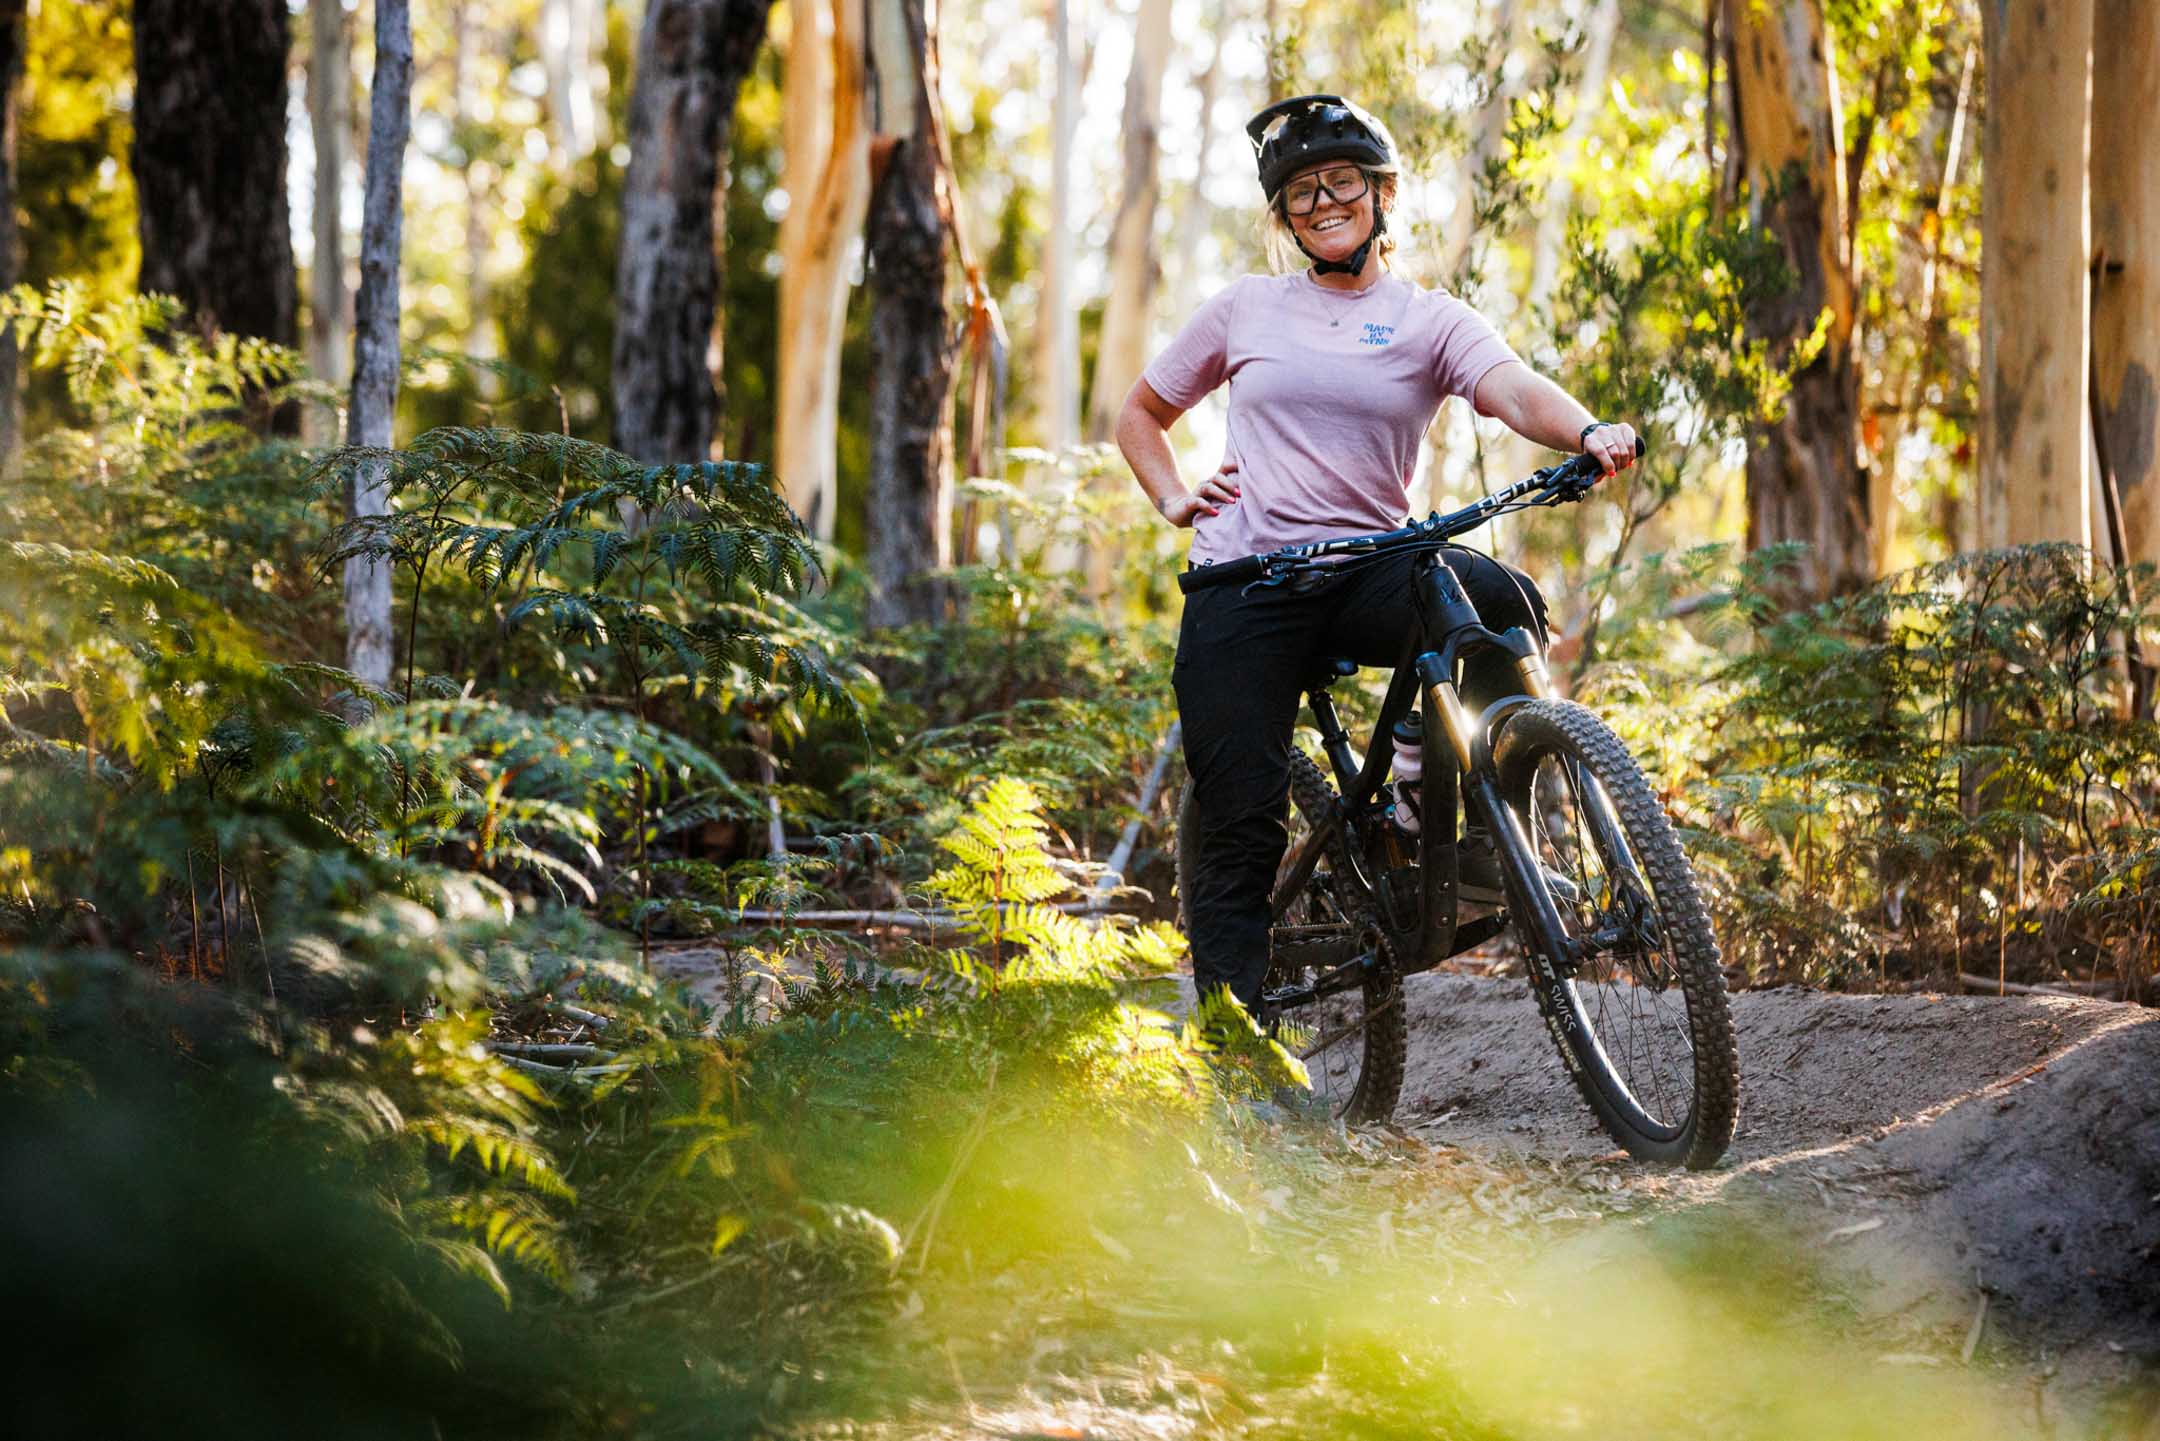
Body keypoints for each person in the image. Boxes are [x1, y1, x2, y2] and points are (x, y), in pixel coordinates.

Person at [1114, 94, 1640, 1012]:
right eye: (1300, 193)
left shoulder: (1425, 318)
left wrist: (1588, 429)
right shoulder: (1246, 308)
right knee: (1242, 818)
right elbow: (1140, 413)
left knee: (1501, 600)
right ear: (1283, 215)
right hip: (1247, 581)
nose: (1321, 204)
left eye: (1341, 182)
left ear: (1383, 193)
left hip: (1370, 564)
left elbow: (1511, 388)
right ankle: (1236, 1053)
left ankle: (1432, 805)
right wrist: (1170, 494)